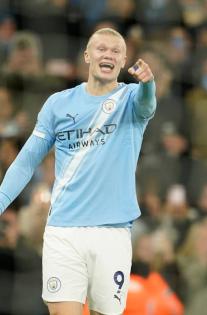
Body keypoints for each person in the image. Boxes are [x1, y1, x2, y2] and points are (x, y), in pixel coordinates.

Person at [0, 27, 156, 315]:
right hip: (64, 230)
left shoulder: (131, 98)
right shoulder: (58, 104)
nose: (108, 54)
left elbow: (146, 106)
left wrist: (148, 84)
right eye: (101, 49)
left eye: (115, 51)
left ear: (123, 61)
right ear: (87, 55)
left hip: (112, 232)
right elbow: (26, 161)